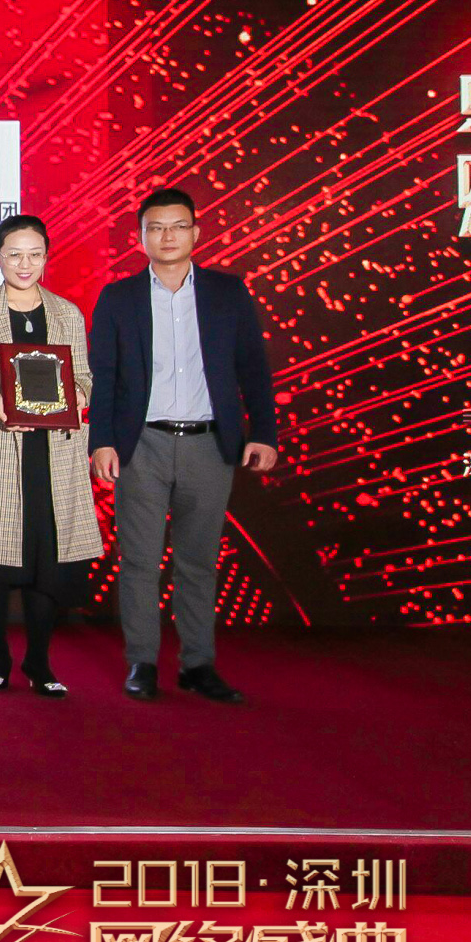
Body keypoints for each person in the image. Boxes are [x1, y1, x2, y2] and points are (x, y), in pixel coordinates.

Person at [88, 187, 279, 704]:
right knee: (140, 561)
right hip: (142, 444)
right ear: (141, 237)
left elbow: (253, 368)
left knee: (198, 560)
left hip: (208, 445)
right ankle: (142, 662)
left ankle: (198, 664)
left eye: (177, 226)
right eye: (156, 227)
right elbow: (103, 375)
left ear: (196, 232)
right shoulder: (118, 298)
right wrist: (101, 440)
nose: (167, 236)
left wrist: (264, 432)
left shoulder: (227, 292)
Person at [0, 215, 101, 698]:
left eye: (34, 255)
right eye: (14, 254)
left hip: (54, 453)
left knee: (48, 558)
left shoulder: (67, 314)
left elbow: (84, 377)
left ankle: (39, 661)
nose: (24, 264)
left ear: (47, 257)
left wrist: (75, 396)